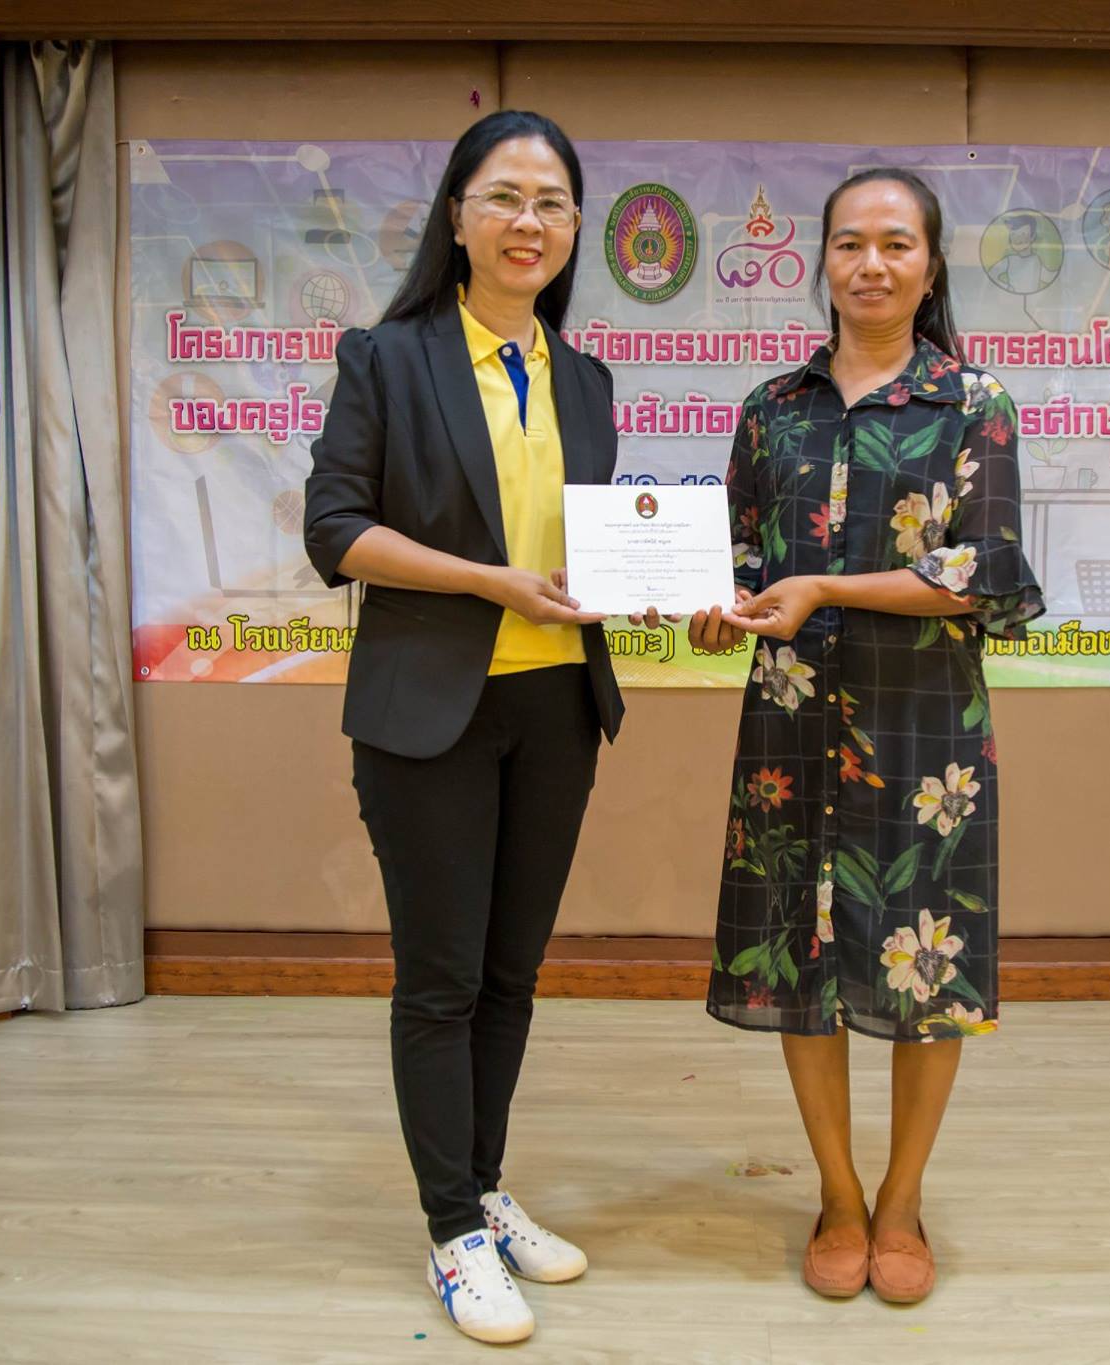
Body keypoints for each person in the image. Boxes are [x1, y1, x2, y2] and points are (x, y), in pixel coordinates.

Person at [303, 109, 632, 1346]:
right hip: (428, 712)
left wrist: (645, 578)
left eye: (550, 202)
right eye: (503, 197)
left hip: (557, 709)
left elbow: (587, 545)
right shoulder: (387, 359)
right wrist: (491, 582)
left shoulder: (584, 379)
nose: (526, 222)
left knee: (509, 976)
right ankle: (450, 1232)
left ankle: (484, 1190)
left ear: (573, 227)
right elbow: (335, 531)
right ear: (457, 216)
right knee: (439, 982)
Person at [691, 168, 1044, 1305]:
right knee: (802, 956)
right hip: (791, 726)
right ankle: (838, 1196)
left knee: (924, 964)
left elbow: (979, 572)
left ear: (929, 267)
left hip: (925, 736)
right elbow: (742, 562)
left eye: (896, 243)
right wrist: (716, 610)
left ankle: (901, 1201)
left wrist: (819, 589)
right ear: (823, 263)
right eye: (850, 243)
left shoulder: (972, 403)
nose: (872, 264)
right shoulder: (770, 409)